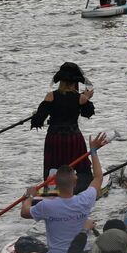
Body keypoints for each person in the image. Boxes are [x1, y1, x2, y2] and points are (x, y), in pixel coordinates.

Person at [17, 131, 110, 253]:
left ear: (55, 185)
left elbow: (24, 212)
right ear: (75, 182)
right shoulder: (85, 200)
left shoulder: (46, 206)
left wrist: (29, 196)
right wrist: (93, 150)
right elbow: (98, 177)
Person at [31, 63, 97, 193]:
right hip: (73, 139)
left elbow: (37, 121)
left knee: (53, 167)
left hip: (54, 139)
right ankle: (79, 190)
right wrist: (86, 98)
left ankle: (52, 188)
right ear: (75, 82)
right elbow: (88, 113)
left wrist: (36, 114)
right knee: (81, 168)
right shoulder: (80, 98)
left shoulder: (51, 96)